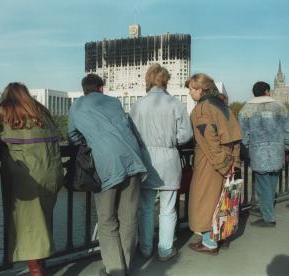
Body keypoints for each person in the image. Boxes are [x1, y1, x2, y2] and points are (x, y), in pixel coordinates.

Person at [68, 74, 147, 276]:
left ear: (83, 89)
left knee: (107, 220)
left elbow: (73, 136)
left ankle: (115, 270)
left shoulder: (78, 106)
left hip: (106, 165)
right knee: (128, 218)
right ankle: (125, 266)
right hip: (133, 160)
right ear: (101, 88)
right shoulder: (114, 102)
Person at [0, 83, 63, 276]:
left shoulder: (4, 112)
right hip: (51, 174)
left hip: (25, 179)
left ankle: (36, 271)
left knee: (28, 228)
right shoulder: (42, 113)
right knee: (41, 223)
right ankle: (41, 266)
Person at [129, 64, 192, 261]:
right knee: (168, 207)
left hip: (145, 159)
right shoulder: (175, 104)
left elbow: (131, 134)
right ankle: (165, 250)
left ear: (148, 80)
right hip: (169, 159)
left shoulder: (138, 105)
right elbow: (186, 134)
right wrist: (171, 140)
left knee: (146, 207)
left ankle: (146, 248)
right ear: (166, 80)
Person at [185, 73, 241, 254]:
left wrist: (223, 164)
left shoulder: (202, 109)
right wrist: (234, 163)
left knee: (205, 201)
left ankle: (209, 243)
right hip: (229, 158)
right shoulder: (222, 106)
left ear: (200, 89)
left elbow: (209, 141)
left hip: (211, 162)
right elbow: (235, 138)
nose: (190, 93)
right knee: (223, 201)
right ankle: (222, 236)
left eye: (191, 89)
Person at [238, 81, 289, 227]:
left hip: (258, 152)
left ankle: (269, 218)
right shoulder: (280, 107)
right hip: (277, 151)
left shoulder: (246, 109)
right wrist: (287, 147)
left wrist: (245, 149)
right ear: (267, 91)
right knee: (271, 183)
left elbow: (243, 134)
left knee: (263, 185)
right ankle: (267, 210)